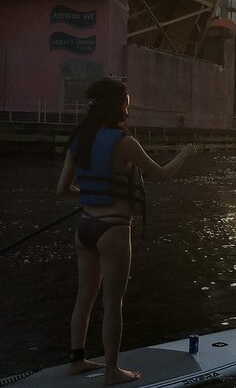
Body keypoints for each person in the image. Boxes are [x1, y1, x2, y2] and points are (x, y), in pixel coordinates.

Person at [56, 77, 196, 385]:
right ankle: (111, 371)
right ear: (118, 106)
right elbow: (159, 175)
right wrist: (185, 153)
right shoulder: (125, 142)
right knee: (113, 303)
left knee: (84, 298)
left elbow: (62, 189)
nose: (128, 109)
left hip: (85, 229)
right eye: (127, 103)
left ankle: (77, 361)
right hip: (113, 230)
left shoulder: (78, 139)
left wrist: (93, 195)